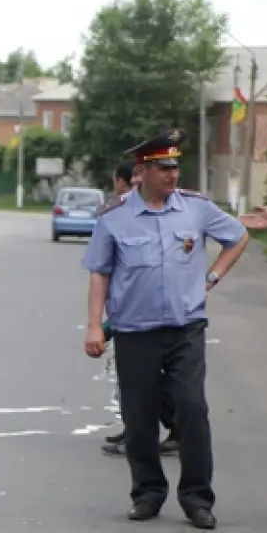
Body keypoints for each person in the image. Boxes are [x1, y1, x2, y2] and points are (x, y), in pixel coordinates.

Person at [81, 127, 249, 530]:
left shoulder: (196, 209)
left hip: (185, 329)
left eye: (176, 167)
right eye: (164, 169)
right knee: (139, 419)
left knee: (192, 409)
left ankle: (196, 498)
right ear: (142, 171)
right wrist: (93, 327)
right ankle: (148, 493)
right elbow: (99, 274)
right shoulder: (115, 218)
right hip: (136, 333)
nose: (173, 176)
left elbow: (238, 237)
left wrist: (212, 278)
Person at [100, 162, 179, 457]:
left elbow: (129, 278)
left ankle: (153, 432)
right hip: (133, 317)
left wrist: (105, 327)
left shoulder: (128, 213)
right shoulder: (126, 211)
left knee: (144, 383)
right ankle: (135, 430)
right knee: (139, 383)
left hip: (144, 321)